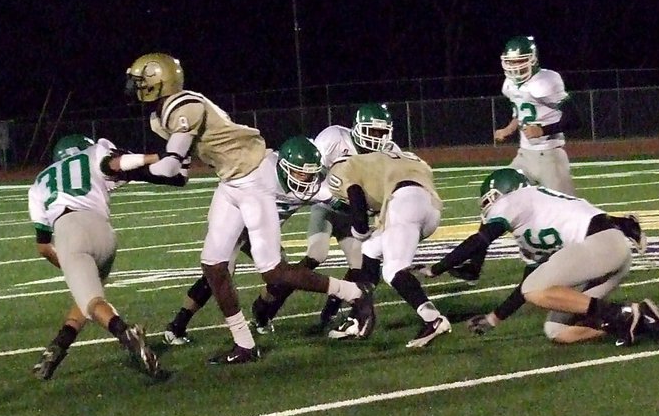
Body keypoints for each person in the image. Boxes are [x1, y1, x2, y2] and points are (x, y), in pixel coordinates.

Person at [125, 53, 372, 364]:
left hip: (255, 176)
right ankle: (244, 343)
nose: (136, 87)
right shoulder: (160, 117)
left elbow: (171, 164)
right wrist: (136, 167)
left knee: (274, 272)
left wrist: (126, 166)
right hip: (231, 181)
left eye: (140, 80)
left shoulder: (184, 105)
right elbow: (179, 175)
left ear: (159, 80)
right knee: (214, 266)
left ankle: (355, 293)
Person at [413, 168, 659, 346]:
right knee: (557, 332)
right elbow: (527, 285)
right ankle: (638, 320)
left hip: (601, 244)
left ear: (504, 192)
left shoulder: (516, 199)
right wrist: (494, 318)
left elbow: (481, 240)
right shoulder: (534, 218)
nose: (488, 209)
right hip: (608, 253)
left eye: (489, 201)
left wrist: (437, 268)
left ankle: (623, 314)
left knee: (535, 289)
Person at [28, 134, 185, 380]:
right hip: (104, 234)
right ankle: (56, 348)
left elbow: (43, 246)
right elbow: (117, 166)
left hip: (70, 231)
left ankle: (126, 334)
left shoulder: (39, 183)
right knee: (90, 297)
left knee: (92, 302)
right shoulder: (93, 153)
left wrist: (68, 265)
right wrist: (159, 156)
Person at [162, 135, 337, 344]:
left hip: (261, 233)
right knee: (219, 273)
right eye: (300, 173)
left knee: (280, 273)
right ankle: (178, 324)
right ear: (283, 167)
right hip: (236, 226)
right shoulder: (260, 170)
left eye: (310, 175)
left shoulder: (318, 186)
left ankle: (261, 313)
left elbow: (342, 199)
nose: (305, 180)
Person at [251, 103, 399, 334]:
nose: (377, 138)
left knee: (362, 264)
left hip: (353, 216)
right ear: (358, 127)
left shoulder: (389, 152)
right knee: (316, 255)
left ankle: (334, 309)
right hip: (327, 207)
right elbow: (309, 174)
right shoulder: (334, 138)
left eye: (382, 132)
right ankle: (267, 306)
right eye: (373, 131)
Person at [454, 35, 579, 284]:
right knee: (495, 201)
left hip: (550, 156)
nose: (515, 67)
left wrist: (543, 130)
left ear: (533, 60)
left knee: (572, 216)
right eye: (511, 63)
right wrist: (509, 129)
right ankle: (473, 265)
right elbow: (519, 111)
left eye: (521, 61)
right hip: (524, 155)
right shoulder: (509, 84)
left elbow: (575, 119)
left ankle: (619, 230)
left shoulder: (547, 81)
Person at [326, 149, 449, 347]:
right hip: (430, 207)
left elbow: (356, 197)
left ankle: (433, 319)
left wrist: (359, 231)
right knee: (370, 250)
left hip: (404, 202)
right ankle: (358, 317)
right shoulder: (395, 156)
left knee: (393, 270)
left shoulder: (344, 168)